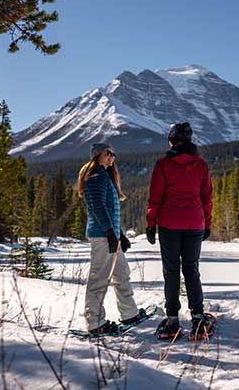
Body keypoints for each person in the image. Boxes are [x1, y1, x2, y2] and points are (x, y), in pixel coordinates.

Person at [146, 122, 214, 340]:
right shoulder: (201, 165)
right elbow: (207, 197)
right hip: (195, 223)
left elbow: (155, 196)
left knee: (171, 272)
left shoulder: (163, 164)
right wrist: (207, 223)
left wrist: (150, 223)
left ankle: (172, 322)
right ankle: (198, 319)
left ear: (172, 140)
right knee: (192, 271)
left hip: (169, 224)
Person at [78, 142, 146, 335]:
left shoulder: (105, 176)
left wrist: (120, 234)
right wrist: (109, 233)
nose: (112, 157)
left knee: (122, 274)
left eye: (114, 154)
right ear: (97, 155)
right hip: (102, 237)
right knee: (99, 279)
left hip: (110, 236)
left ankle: (129, 314)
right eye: (108, 153)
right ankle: (95, 323)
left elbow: (110, 210)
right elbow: (97, 207)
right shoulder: (95, 177)